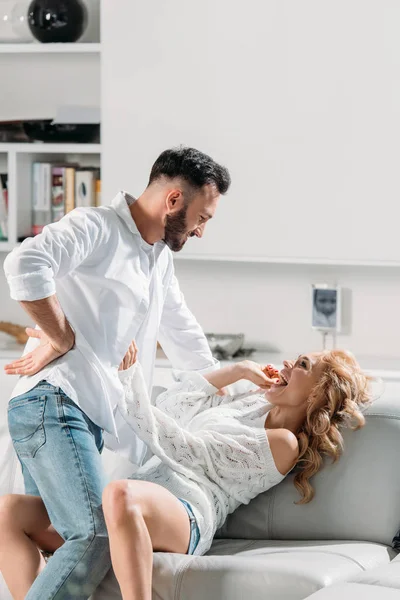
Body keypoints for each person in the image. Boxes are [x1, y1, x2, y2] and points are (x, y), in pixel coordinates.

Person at [2, 147, 231, 599]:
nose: (202, 231)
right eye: (201, 217)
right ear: (172, 201)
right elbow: (23, 264)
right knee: (93, 536)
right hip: (54, 401)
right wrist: (62, 335)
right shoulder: (97, 227)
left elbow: (187, 341)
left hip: (78, 412)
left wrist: (243, 388)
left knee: (54, 538)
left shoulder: (157, 259)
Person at [0, 348, 371, 600]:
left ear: (316, 397)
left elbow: (185, 447)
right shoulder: (248, 401)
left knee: (118, 494)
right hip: (138, 497)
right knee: (8, 513)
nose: (288, 363)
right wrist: (238, 369)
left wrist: (130, 380)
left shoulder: (283, 443)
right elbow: (172, 406)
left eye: (303, 365)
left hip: (188, 512)